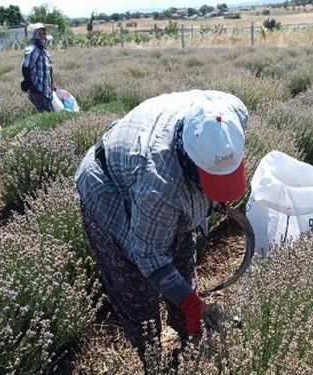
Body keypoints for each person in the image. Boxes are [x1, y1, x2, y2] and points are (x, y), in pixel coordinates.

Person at [75, 90, 249, 363]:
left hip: (149, 175)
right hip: (109, 189)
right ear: (191, 165)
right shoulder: (160, 182)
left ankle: (189, 335)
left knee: (183, 263)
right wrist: (189, 301)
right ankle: (153, 358)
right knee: (135, 290)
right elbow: (149, 254)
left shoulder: (230, 114)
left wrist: (217, 194)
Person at [21, 23, 55, 112]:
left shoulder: (44, 52)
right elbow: (26, 67)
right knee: (46, 114)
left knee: (48, 113)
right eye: (40, 33)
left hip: (46, 90)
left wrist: (52, 84)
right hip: (37, 90)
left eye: (44, 33)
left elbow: (49, 69)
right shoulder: (32, 49)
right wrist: (30, 85)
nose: (43, 36)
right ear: (35, 35)